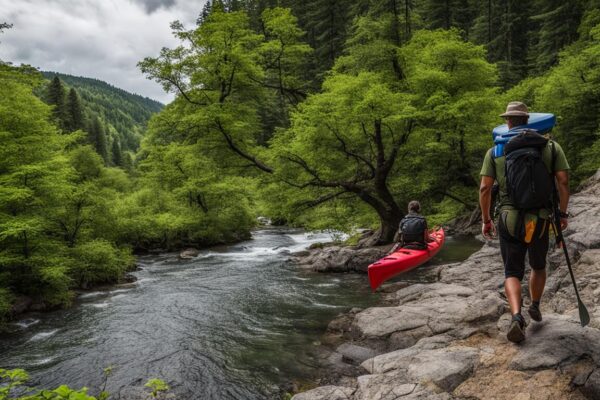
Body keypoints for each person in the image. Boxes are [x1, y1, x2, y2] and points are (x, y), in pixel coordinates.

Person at [479, 101, 570, 343]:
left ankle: (517, 317)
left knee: (512, 271)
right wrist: (562, 214)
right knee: (538, 266)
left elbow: (485, 188)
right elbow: (562, 182)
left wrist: (486, 219)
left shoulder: (496, 151)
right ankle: (536, 304)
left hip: (508, 219)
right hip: (539, 220)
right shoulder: (550, 147)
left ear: (507, 121)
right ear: (528, 120)